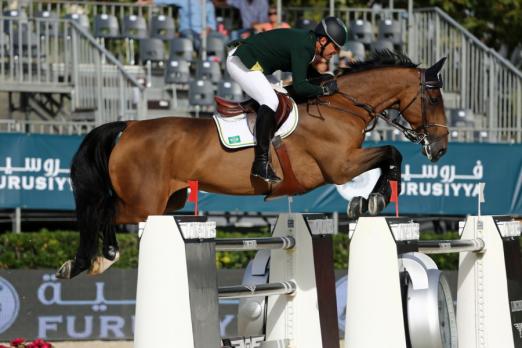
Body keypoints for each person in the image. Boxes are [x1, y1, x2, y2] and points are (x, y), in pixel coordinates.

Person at [226, 16, 347, 183]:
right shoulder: (305, 46)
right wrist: (324, 89)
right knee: (271, 101)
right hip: (241, 62)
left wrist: (328, 81)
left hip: (253, 65)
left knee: (282, 96)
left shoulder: (308, 43)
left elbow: (310, 76)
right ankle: (260, 163)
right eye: (336, 47)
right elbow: (300, 87)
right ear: (323, 40)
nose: (336, 53)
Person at [138, 0, 216, 51]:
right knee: (192, 38)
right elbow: (164, 1)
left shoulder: (209, 5)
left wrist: (206, 31)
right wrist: (146, 2)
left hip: (203, 33)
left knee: (219, 39)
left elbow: (212, 24)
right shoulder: (186, 1)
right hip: (187, 31)